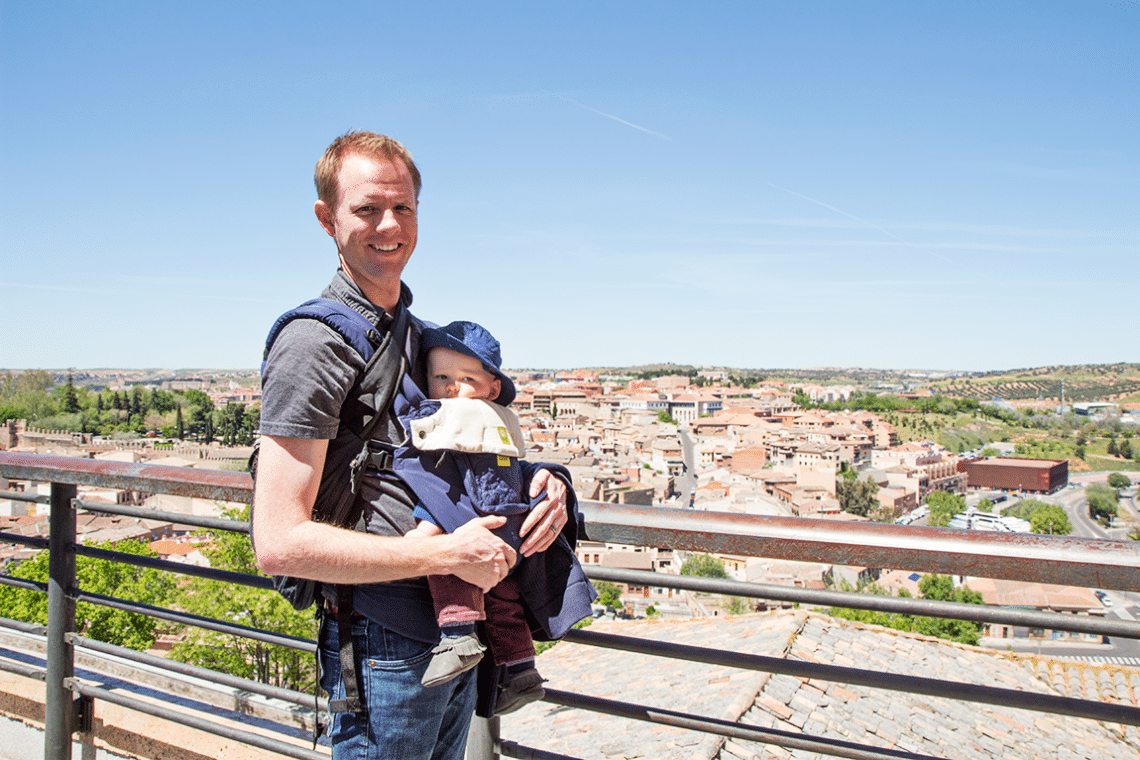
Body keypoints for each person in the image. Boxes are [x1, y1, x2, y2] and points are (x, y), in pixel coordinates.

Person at [252, 131, 571, 760]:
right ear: (327, 218)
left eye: (403, 208)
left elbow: (479, 443)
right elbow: (279, 542)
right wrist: (443, 553)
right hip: (384, 636)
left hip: (455, 624)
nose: (389, 225)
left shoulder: (425, 343)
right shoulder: (313, 345)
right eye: (367, 209)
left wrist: (550, 480)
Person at [400, 320, 587, 713]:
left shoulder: (450, 424)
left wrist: (425, 529)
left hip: (481, 527)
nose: (453, 387)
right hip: (511, 531)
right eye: (442, 377)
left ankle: (458, 638)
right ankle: (521, 669)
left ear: (493, 388)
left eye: (467, 378)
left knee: (447, 569)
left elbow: (440, 485)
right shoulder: (494, 422)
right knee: (504, 601)